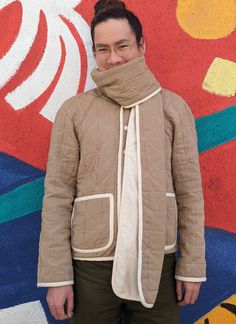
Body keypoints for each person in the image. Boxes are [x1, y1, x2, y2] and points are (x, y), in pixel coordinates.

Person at [37, 1, 206, 323]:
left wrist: (192, 266)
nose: (112, 58)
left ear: (141, 46)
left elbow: (190, 194)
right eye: (102, 49)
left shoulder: (172, 108)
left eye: (122, 46)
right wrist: (57, 277)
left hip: (159, 265)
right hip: (90, 268)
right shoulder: (74, 111)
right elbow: (58, 194)